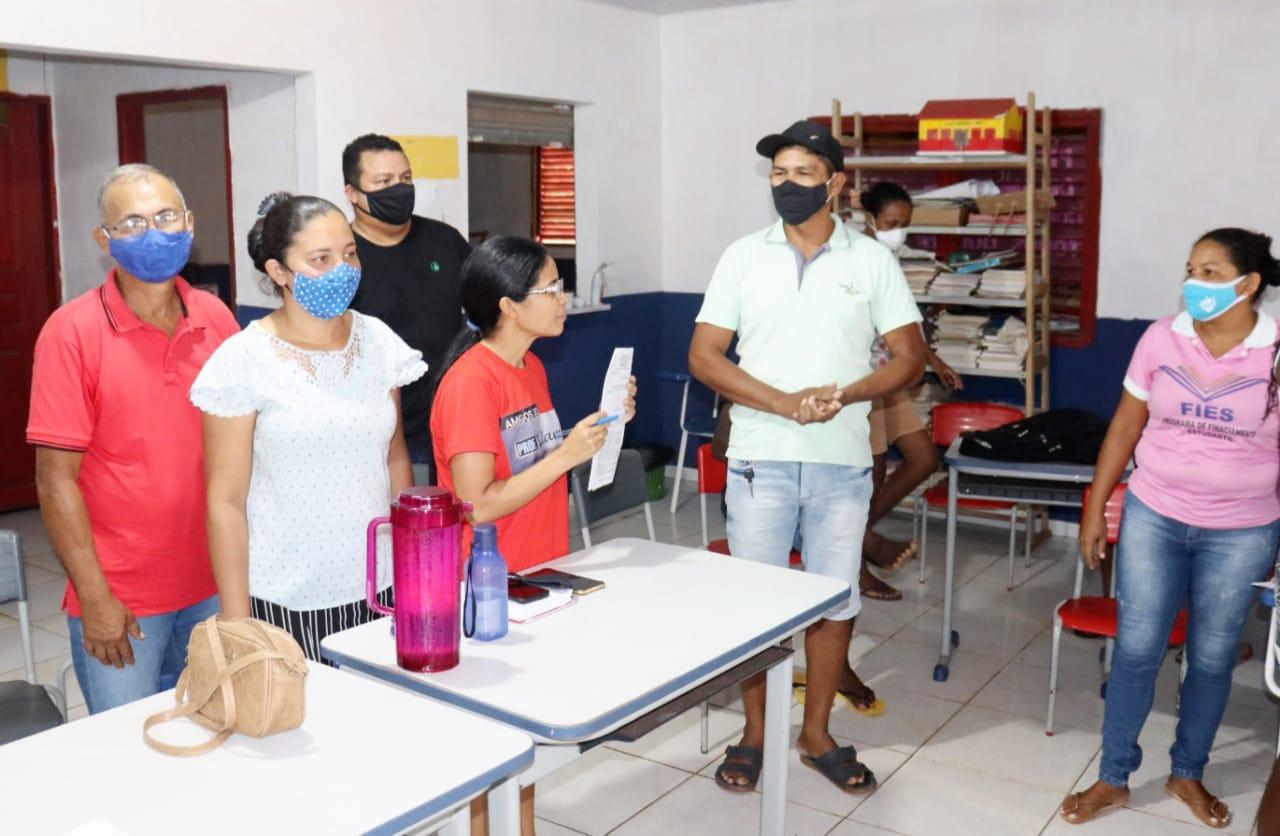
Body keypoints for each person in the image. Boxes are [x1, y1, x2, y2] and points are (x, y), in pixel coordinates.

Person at [689, 120, 925, 795]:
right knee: (757, 605)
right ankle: (755, 734)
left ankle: (817, 733)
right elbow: (704, 355)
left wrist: (844, 394)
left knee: (833, 599)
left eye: (800, 173)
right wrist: (781, 402)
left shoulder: (871, 261)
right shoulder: (742, 256)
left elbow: (907, 358)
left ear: (835, 182)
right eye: (777, 174)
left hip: (841, 459)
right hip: (760, 455)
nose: (786, 185)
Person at [1061, 228, 1280, 828]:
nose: (1195, 284)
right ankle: (1113, 778)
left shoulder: (1277, 350)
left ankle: (1188, 772)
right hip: (1155, 515)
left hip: (1242, 529)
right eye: (1191, 269)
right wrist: (1095, 503)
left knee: (1210, 658)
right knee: (1135, 650)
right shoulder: (1163, 337)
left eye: (1210, 272)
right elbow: (1126, 425)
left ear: (1249, 283)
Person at [429, 235, 635, 835]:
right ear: (509, 306)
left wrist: (589, 432)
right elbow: (476, 506)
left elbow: (527, 462)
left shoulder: (530, 366)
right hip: (489, 589)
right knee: (491, 748)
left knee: (521, 749)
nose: (563, 299)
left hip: (538, 575)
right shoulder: (472, 383)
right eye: (551, 289)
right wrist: (565, 457)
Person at [26, 164, 238, 713]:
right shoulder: (71, 333)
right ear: (104, 240)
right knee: (127, 764)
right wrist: (94, 597)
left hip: (214, 580)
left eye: (166, 216)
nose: (155, 231)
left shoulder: (214, 317)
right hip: (123, 598)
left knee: (213, 736)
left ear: (189, 222)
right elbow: (55, 481)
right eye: (133, 222)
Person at [194, 192, 425, 662]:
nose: (342, 269)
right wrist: (238, 626)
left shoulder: (380, 343)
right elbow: (225, 502)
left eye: (349, 253)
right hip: (286, 599)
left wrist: (410, 566)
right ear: (278, 271)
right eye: (320, 259)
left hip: (379, 586)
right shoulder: (242, 362)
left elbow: (395, 457)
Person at [343, 133, 472, 482]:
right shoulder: (341, 258)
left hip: (449, 423)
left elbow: (488, 305)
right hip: (377, 433)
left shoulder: (445, 241)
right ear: (352, 193)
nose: (398, 189)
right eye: (383, 182)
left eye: (405, 179)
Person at [858, 181, 964, 604]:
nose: (899, 231)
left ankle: (857, 532)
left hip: (893, 376)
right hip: (865, 379)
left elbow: (905, 320)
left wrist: (933, 361)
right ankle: (857, 562)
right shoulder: (854, 256)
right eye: (891, 223)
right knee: (873, 471)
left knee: (923, 458)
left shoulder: (890, 257)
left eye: (905, 224)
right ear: (869, 219)